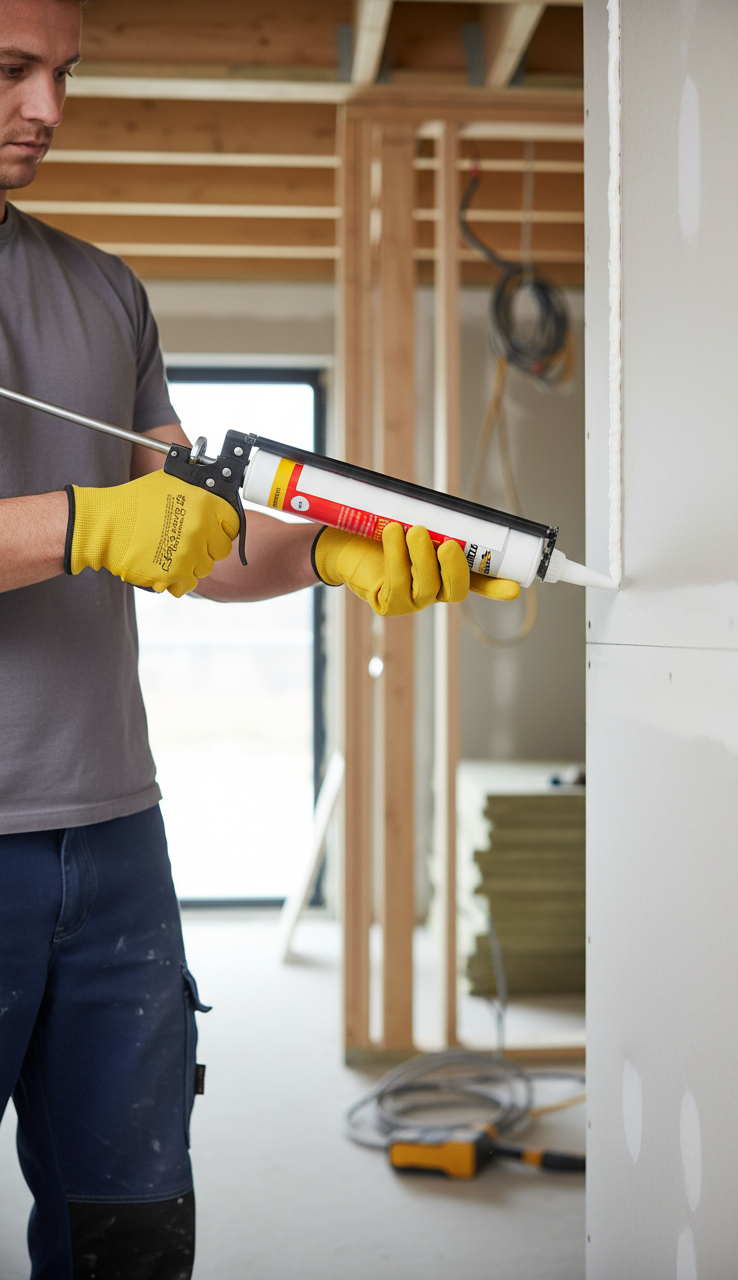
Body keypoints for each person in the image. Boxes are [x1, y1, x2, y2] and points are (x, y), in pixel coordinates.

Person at [0, 2, 519, 1276]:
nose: (49, 110)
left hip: (113, 838)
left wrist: (335, 550)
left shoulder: (103, 290)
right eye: (11, 69)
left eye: (64, 74)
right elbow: (116, 527)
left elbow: (190, 535)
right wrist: (85, 522)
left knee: (130, 1229)